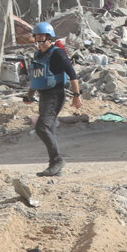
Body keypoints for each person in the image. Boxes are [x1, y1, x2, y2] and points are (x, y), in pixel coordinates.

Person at [21, 21, 80, 177]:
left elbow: (73, 75)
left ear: (49, 37)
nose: (40, 38)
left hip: (55, 95)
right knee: (50, 129)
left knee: (42, 127)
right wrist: (29, 95)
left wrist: (76, 95)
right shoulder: (38, 55)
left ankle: (57, 160)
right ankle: (55, 167)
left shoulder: (58, 53)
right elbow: (35, 78)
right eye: (37, 35)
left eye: (43, 35)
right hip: (43, 95)